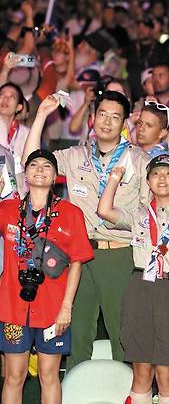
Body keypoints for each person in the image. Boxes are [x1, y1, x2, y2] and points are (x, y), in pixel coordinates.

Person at [22, 91, 151, 370]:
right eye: (102, 114)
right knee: (78, 331)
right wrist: (42, 115)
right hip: (79, 257)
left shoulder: (139, 161)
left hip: (119, 254)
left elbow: (147, 217)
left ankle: (127, 393)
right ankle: (76, 391)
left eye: (115, 117)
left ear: (125, 123)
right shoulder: (76, 154)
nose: (107, 121)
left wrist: (115, 217)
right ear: (92, 118)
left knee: (122, 333)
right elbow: (31, 162)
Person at [97, 154, 169, 404]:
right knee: (141, 370)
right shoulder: (138, 215)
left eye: (168, 174)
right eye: (156, 174)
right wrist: (114, 179)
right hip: (141, 289)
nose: (162, 179)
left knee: (167, 372)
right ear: (147, 181)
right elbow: (104, 211)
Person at [0, 149, 93, 404]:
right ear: (25, 174)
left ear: (55, 176)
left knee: (49, 375)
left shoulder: (71, 214)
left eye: (46, 166)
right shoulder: (6, 210)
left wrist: (66, 307)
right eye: (34, 165)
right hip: (12, 307)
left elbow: (77, 263)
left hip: (53, 309)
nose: (40, 169)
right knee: (13, 376)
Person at [0, 82, 29, 195]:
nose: (5, 99)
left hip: (18, 190)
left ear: (19, 107)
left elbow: (30, 164)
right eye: (1, 95)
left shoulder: (27, 133)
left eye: (11, 96)